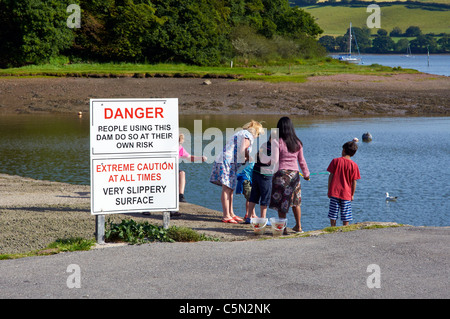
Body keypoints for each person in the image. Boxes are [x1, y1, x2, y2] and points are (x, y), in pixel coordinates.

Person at [210, 120, 264, 224]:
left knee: (230, 188)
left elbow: (242, 150)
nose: (257, 136)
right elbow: (243, 149)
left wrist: (246, 157)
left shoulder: (241, 133)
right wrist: (247, 158)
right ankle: (226, 216)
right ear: (256, 131)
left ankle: (231, 213)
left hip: (227, 161)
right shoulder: (248, 136)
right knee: (226, 188)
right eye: (258, 134)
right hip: (227, 162)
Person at [269, 117, 310, 234]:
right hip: (295, 176)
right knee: (295, 202)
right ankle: (299, 226)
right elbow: (302, 161)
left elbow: (275, 160)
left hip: (281, 175)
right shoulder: (298, 143)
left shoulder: (277, 141)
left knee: (282, 202)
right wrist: (306, 174)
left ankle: (284, 229)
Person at [327, 141, 361, 227]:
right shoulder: (354, 165)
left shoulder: (335, 161)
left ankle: (332, 228)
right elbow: (354, 182)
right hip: (346, 193)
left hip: (334, 192)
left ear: (343, 150)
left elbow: (331, 176)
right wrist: (352, 194)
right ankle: (345, 230)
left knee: (333, 213)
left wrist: (329, 190)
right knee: (346, 215)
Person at [244, 135, 274, 224]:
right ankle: (263, 219)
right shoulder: (273, 148)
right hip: (265, 175)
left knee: (254, 195)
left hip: (256, 173)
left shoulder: (263, 145)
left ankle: (249, 217)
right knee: (265, 196)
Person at [179, 133, 207, 203]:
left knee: (182, 173)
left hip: (172, 168)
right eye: (182, 140)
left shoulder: (180, 148)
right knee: (181, 174)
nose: (182, 142)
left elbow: (189, 157)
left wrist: (200, 158)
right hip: (163, 168)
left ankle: (180, 195)